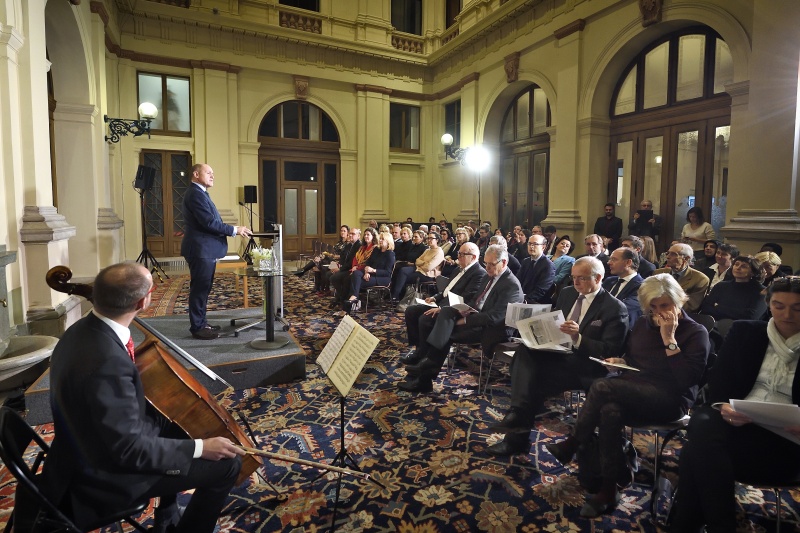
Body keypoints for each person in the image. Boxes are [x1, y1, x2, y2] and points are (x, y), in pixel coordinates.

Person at [42, 263, 245, 533]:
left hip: (83, 441)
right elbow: (129, 450)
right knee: (228, 465)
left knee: (173, 419)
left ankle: (167, 513)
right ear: (142, 302)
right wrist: (200, 448)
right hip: (105, 473)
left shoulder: (79, 331)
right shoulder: (108, 363)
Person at [545, 274, 710, 517]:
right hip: (635, 388)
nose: (659, 312)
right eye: (653, 306)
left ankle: (573, 443)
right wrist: (621, 362)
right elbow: (634, 360)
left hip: (671, 399)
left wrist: (669, 339)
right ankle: (608, 489)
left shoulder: (696, 332)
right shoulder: (643, 324)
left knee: (601, 387)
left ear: (679, 301)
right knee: (610, 411)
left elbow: (686, 381)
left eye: (665, 305)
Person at [673, 277, 800, 533]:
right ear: (769, 305)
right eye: (778, 306)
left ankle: (692, 525)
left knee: (695, 452)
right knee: (704, 422)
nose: (786, 315)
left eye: (797, 308)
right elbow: (719, 379)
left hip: (788, 441)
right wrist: (723, 405)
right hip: (740, 425)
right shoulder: (747, 332)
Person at [486, 257, 629, 455]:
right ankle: (517, 421)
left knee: (531, 378)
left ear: (598, 278)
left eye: (582, 278)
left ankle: (516, 432)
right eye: (573, 277)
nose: (576, 282)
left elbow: (609, 351)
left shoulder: (614, 308)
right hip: (558, 354)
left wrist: (578, 338)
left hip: (586, 366)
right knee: (524, 351)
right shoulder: (567, 293)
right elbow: (554, 322)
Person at [398, 245, 523, 393]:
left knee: (446, 331)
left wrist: (464, 320)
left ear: (504, 262)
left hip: (492, 328)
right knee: (445, 312)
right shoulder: (489, 276)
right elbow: (476, 301)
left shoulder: (511, 285)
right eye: (485, 263)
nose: (487, 267)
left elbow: (493, 318)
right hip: (476, 316)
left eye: (491, 264)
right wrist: (462, 310)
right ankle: (426, 364)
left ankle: (425, 372)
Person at [181, 163, 252, 340]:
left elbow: (211, 221)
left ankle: (202, 323)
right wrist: (235, 230)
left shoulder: (200, 193)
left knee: (204, 289)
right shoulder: (195, 194)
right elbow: (208, 222)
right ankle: (198, 328)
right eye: (208, 173)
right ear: (196, 174)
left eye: (213, 173)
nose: (212, 176)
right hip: (200, 250)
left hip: (204, 249)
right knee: (199, 290)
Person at [400, 241, 487, 365]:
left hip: (454, 310)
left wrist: (442, 308)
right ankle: (418, 349)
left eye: (462, 254)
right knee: (411, 311)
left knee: (425, 318)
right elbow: (447, 289)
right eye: (459, 253)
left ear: (473, 257)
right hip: (443, 303)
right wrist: (435, 298)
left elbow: (465, 299)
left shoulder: (479, 273)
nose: (458, 256)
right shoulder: (458, 269)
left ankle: (425, 355)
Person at [700, 255, 766, 321]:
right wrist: (737, 311)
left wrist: (718, 307)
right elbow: (706, 308)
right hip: (715, 324)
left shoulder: (761, 291)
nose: (738, 268)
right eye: (736, 264)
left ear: (753, 272)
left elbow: (751, 316)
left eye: (744, 266)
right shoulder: (721, 286)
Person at [343, 230, 396, 312]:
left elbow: (388, 272)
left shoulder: (390, 254)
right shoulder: (376, 250)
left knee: (355, 281)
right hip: (371, 273)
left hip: (382, 278)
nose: (380, 240)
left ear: (388, 241)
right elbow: (368, 263)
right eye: (380, 239)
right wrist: (367, 272)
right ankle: (354, 298)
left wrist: (373, 270)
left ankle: (353, 299)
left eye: (382, 239)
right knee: (356, 273)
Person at [654, 243, 709, 313]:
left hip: (681, 316)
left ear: (686, 258)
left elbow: (691, 306)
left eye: (673, 254)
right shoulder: (658, 274)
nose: (667, 257)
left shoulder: (700, 279)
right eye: (668, 253)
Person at [391, 231, 445, 300]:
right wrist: (425, 262)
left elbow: (428, 268)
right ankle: (395, 295)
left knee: (403, 276)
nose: (429, 240)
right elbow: (417, 261)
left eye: (431, 238)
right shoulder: (428, 250)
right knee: (401, 270)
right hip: (419, 270)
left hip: (428, 275)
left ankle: (396, 296)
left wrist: (421, 264)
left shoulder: (439, 252)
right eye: (428, 238)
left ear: (437, 240)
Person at [332, 227, 376, 307]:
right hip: (355, 268)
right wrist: (354, 266)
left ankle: (346, 300)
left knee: (346, 279)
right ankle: (342, 298)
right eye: (365, 235)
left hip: (363, 270)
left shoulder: (374, 248)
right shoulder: (363, 247)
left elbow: (369, 263)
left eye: (368, 235)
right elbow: (355, 258)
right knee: (335, 277)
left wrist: (357, 268)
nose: (366, 236)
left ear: (373, 236)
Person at [603, 247, 644, 328]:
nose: (609, 262)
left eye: (614, 259)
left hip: (621, 329)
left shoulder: (642, 286)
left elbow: (622, 309)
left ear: (628, 262)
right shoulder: (609, 281)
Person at [516, 233, 556, 304]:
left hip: (537, 303)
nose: (531, 246)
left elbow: (541, 290)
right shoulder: (526, 261)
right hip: (521, 299)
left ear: (543, 247)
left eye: (535, 244)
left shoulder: (548, 265)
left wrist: (524, 300)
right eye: (529, 244)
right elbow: (517, 281)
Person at [328, 228, 362, 307]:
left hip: (352, 269)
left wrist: (340, 269)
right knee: (330, 274)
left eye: (353, 234)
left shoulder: (359, 246)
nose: (350, 235)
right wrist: (339, 264)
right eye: (350, 233)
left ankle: (342, 298)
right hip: (345, 268)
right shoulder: (349, 245)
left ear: (358, 236)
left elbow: (351, 262)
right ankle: (340, 297)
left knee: (335, 277)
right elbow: (343, 257)